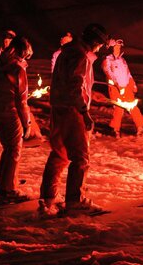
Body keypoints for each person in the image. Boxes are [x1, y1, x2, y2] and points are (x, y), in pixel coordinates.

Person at [39, 23, 108, 214]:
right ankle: (75, 201)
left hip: (58, 108)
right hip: (72, 110)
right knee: (80, 157)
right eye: (100, 45)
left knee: (59, 154)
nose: (100, 48)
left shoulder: (64, 53)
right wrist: (84, 112)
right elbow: (75, 86)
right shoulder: (80, 56)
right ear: (95, 42)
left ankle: (48, 197)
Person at [0, 36, 33, 203]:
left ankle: (3, 184)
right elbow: (21, 101)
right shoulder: (17, 70)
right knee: (14, 150)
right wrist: (26, 123)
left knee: (8, 149)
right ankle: (8, 190)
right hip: (11, 114)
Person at [102, 38, 143, 137]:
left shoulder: (123, 60)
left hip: (126, 87)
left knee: (133, 106)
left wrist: (132, 84)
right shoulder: (107, 60)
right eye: (116, 47)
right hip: (115, 88)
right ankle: (115, 129)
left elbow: (128, 74)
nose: (118, 49)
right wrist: (117, 85)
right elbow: (109, 74)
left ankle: (140, 127)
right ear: (111, 48)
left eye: (119, 47)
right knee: (119, 108)